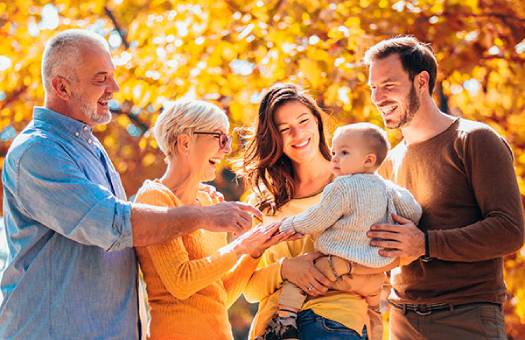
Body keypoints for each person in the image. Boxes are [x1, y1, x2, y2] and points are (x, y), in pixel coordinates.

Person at [0, 29, 261, 338]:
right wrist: (204, 217)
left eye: (112, 76)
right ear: (62, 87)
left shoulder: (92, 149)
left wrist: (190, 201)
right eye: (100, 79)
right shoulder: (38, 151)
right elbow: (113, 223)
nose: (115, 87)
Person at [365, 36, 524, 339]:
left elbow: (509, 230)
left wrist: (425, 244)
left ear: (421, 81)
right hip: (402, 320)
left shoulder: (474, 140)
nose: (378, 97)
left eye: (389, 85)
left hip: (466, 318)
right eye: (373, 87)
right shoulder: (389, 162)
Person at [134, 99, 293, 339]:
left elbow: (220, 295)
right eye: (219, 137)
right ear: (185, 142)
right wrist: (239, 247)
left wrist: (254, 251)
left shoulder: (210, 204)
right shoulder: (155, 199)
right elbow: (181, 282)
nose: (227, 148)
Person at [241, 83, 388, 340]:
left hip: (336, 322)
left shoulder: (358, 182)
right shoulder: (263, 203)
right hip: (274, 329)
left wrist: (328, 273)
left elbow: (385, 261)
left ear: (317, 122)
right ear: (273, 139)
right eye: (285, 130)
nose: (298, 134)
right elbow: (250, 290)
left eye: (303, 121)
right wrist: (286, 269)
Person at [262, 122, 422, 339]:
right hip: (373, 274)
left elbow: (318, 218)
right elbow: (413, 210)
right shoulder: (388, 188)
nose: (334, 158)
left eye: (344, 153)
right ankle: (374, 334)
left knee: (297, 281)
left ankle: (285, 320)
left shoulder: (342, 186)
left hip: (336, 266)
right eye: (335, 152)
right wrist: (404, 226)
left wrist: (290, 225)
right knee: (373, 310)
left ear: (368, 160)